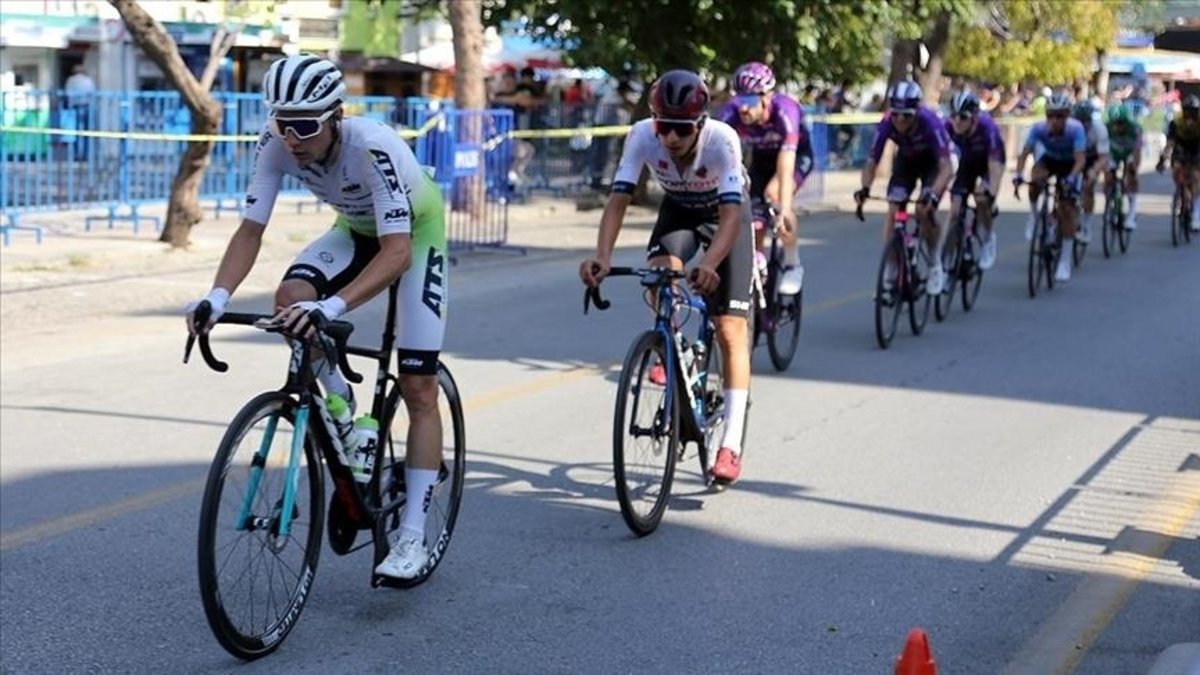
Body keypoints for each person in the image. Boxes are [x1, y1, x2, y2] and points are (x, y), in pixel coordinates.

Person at [184, 55, 449, 580]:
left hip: (414, 239)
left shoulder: (372, 147)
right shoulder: (275, 142)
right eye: (283, 123)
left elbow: (395, 253)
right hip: (352, 230)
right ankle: (343, 407)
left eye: (305, 125)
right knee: (289, 299)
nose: (292, 137)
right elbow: (250, 230)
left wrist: (331, 307)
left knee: (418, 387)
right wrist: (216, 294)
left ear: (335, 117)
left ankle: (413, 537)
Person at [579, 70, 753, 485]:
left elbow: (730, 217)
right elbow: (618, 200)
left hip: (725, 217)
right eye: (664, 126)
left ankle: (730, 442)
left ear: (699, 125)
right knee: (658, 276)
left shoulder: (722, 140)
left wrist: (709, 262)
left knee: (729, 330)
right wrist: (602, 256)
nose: (670, 138)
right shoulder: (641, 135)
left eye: (681, 128)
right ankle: (676, 346)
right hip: (678, 211)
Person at [717, 61, 812, 295]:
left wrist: (784, 209)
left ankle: (792, 264)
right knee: (753, 216)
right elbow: (715, 151)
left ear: (766, 97)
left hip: (795, 156)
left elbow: (786, 163)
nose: (743, 109)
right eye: (739, 101)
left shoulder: (785, 110)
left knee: (774, 194)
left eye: (749, 102)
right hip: (761, 161)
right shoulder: (732, 113)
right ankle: (755, 267)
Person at [854, 80, 954, 296]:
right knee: (893, 210)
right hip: (906, 163)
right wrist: (864, 189)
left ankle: (935, 262)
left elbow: (947, 167)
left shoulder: (930, 121)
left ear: (916, 111)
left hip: (932, 164)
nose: (900, 120)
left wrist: (934, 196)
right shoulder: (887, 122)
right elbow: (872, 161)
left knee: (923, 210)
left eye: (906, 115)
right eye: (896, 114)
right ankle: (891, 271)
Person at [1012, 92, 1086, 282]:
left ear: (1067, 116)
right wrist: (1018, 175)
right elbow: (1024, 154)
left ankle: (1065, 260)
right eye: (1050, 115)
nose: (1054, 120)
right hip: (1050, 160)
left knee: (1067, 209)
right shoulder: (1038, 129)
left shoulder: (1075, 129)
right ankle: (1034, 215)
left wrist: (1071, 178)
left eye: (1059, 116)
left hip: (1070, 164)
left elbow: (1080, 160)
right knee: (1035, 179)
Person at [944, 90, 1006, 270]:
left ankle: (987, 238)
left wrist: (991, 195)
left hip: (990, 162)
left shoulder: (987, 127)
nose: (957, 121)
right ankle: (947, 256)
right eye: (954, 116)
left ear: (974, 117)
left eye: (962, 117)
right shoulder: (948, 126)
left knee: (981, 197)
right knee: (955, 209)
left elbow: (995, 167)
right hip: (969, 162)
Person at [1157, 94, 1200, 231]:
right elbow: (1170, 144)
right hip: (1181, 147)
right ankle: (1180, 194)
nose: (1189, 116)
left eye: (1193, 112)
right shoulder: (1176, 123)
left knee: (1196, 176)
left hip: (1197, 148)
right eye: (1187, 111)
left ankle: (1195, 213)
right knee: (1177, 169)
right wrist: (1162, 159)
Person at [1071, 100, 1110, 244]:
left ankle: (1086, 226)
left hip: (1094, 158)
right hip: (1076, 156)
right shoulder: (1070, 128)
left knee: (1088, 186)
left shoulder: (1099, 129)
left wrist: (1094, 171)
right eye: (1078, 121)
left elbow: (1103, 157)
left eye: (1084, 121)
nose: (1081, 124)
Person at [1104, 103, 1145, 231]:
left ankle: (1131, 214)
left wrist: (1133, 168)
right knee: (1108, 176)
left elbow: (1137, 152)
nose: (1117, 127)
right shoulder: (1106, 128)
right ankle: (1110, 202)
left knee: (1131, 176)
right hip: (1114, 153)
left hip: (1129, 153)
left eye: (1121, 123)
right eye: (1115, 123)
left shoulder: (1135, 129)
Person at [63, 63, 95, 161]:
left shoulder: (71, 80)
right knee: (87, 132)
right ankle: (86, 154)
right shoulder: (88, 80)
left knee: (76, 132)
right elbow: (92, 92)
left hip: (75, 106)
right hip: (86, 106)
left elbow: (67, 93)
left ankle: (77, 154)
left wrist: (69, 104)